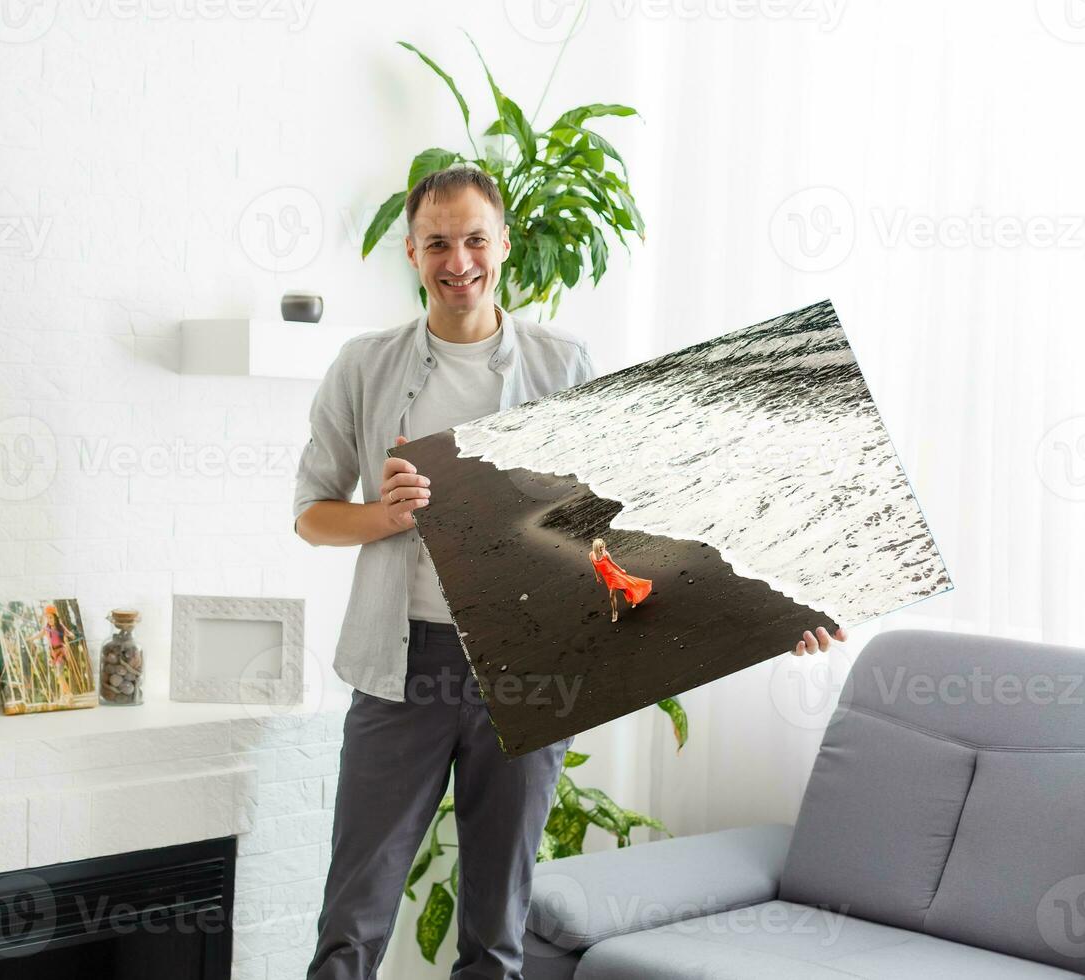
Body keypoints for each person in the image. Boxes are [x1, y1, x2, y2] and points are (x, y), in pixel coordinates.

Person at [293, 166, 844, 979]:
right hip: (400, 664)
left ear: (504, 245)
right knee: (352, 921)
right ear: (411, 251)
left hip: (528, 672)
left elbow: (625, 526)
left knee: (496, 931)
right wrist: (385, 515)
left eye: (475, 239)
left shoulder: (562, 361)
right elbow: (312, 513)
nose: (459, 261)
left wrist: (771, 612)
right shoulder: (364, 366)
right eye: (438, 242)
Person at [589, 537, 652, 622]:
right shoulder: (591, 555)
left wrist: (621, 570)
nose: (602, 549)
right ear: (595, 548)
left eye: (603, 546)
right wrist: (597, 576)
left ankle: (615, 613)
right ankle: (635, 598)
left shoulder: (605, 554)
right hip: (607, 577)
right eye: (600, 547)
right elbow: (595, 567)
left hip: (613, 575)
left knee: (611, 595)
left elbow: (613, 563)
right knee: (624, 589)